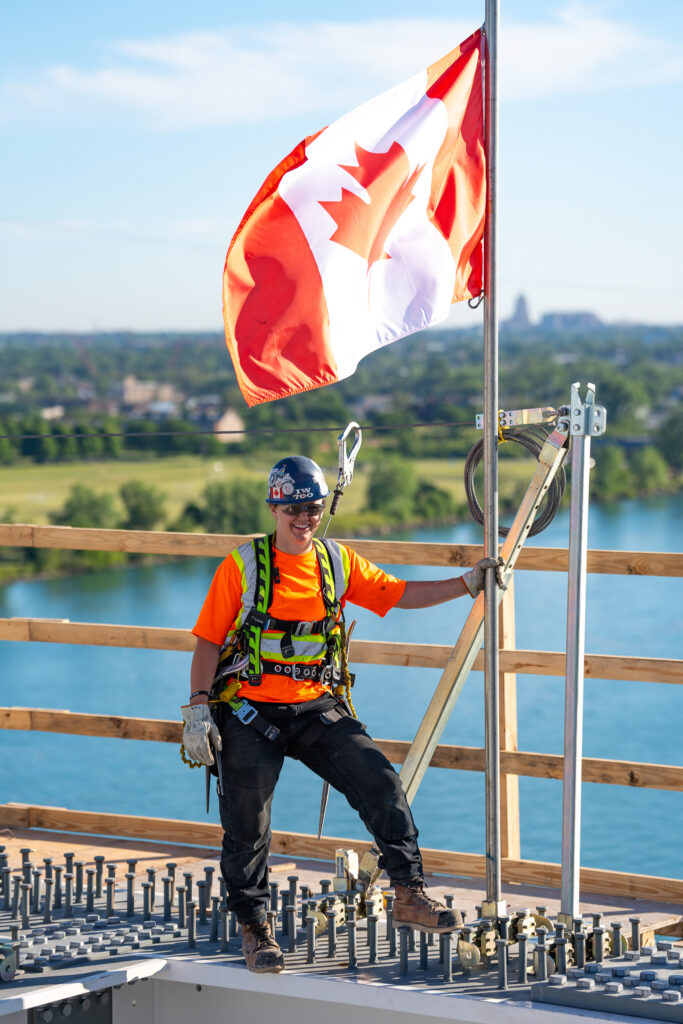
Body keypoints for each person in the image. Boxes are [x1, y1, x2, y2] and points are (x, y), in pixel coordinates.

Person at [182, 456, 504, 973]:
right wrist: (199, 708)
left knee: (379, 781)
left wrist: (467, 583)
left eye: (312, 507)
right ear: (274, 507)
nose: (304, 517)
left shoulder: (336, 562)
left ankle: (408, 893)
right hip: (249, 709)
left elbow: (398, 593)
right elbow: (207, 642)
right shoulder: (243, 566)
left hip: (315, 706)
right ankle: (254, 925)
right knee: (248, 822)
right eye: (293, 508)